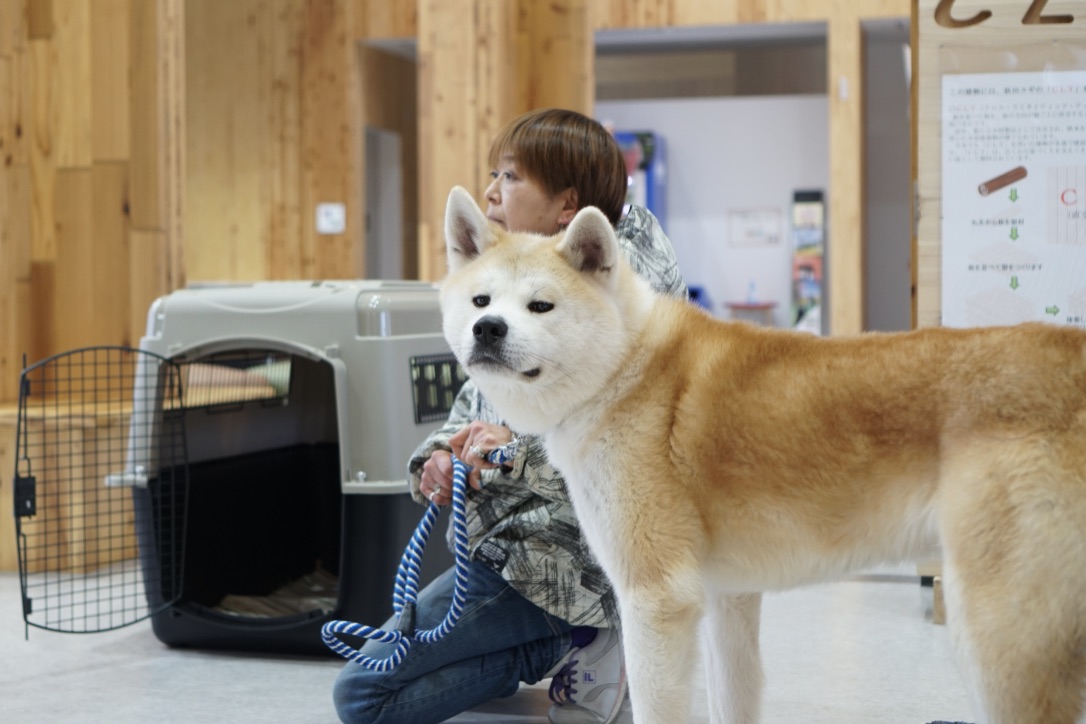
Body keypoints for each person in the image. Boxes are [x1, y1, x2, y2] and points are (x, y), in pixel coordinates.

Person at [333, 108, 687, 724]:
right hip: (503, 548)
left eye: (511, 177)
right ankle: (566, 638)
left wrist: (508, 450)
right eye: (492, 175)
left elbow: (625, 453)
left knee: (364, 696)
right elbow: (474, 399)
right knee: (385, 673)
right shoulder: (517, 269)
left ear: (565, 205)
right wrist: (442, 454)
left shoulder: (620, 295)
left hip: (573, 552)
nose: (493, 192)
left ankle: (576, 630)